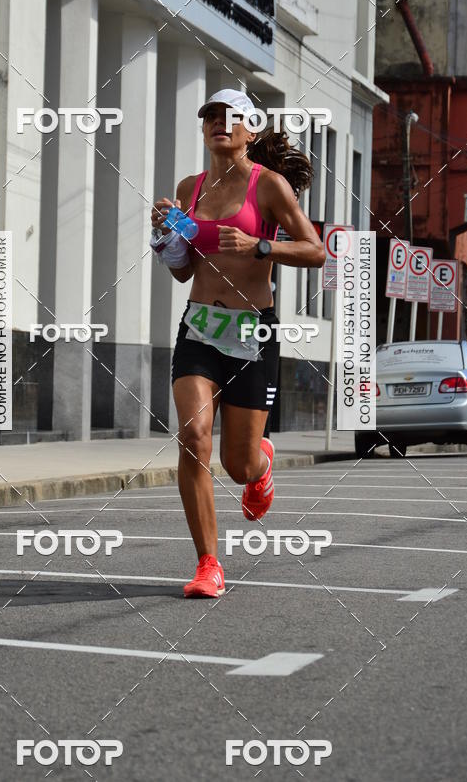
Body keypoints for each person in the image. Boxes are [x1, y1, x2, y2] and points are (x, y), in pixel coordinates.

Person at [150, 89, 324, 598]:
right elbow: (182, 271)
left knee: (238, 463)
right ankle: (208, 564)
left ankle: (261, 467)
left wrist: (261, 245)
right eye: (209, 116)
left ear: (249, 129)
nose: (217, 123)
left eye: (229, 117)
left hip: (253, 330)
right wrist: (164, 237)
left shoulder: (268, 187)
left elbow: (315, 250)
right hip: (200, 329)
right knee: (194, 436)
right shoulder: (190, 188)